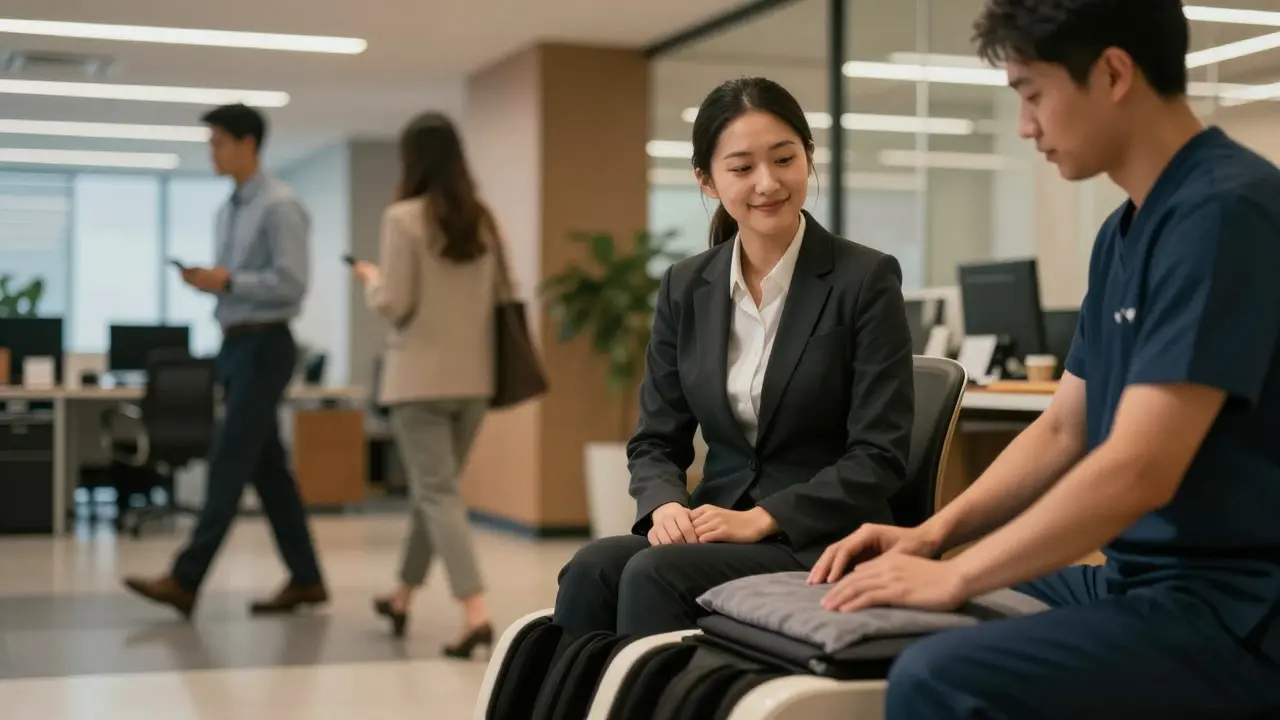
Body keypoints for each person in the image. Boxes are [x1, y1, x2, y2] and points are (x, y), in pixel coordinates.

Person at [807, 2, 1280, 717]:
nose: (1026, 126)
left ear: (1114, 72)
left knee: (936, 675)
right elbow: (1064, 429)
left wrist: (958, 575)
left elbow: (1138, 469)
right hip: (1135, 579)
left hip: (1234, 610)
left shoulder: (1225, 211)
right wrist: (930, 539)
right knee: (871, 615)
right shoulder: (1123, 231)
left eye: (1032, 94)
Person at [552, 77, 916, 640]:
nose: (767, 183)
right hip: (714, 522)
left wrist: (762, 519)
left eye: (784, 159)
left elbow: (880, 456)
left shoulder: (864, 279)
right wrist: (665, 505)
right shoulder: (686, 286)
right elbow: (655, 439)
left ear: (808, 158)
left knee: (654, 575)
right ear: (707, 180)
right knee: (591, 570)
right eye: (742, 168)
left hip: (820, 538)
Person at [123, 104, 326, 617]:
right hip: (235, 343)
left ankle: (186, 579)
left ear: (248, 143)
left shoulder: (280, 205)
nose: (211, 151)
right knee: (268, 469)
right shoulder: (229, 209)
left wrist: (229, 282)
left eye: (218, 142)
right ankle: (307, 579)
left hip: (267, 344)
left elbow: (293, 283)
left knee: (229, 459)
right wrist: (210, 282)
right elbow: (238, 281)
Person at [350, 112, 498, 657]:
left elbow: (396, 305)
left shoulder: (403, 218)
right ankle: (401, 595)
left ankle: (475, 612)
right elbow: (501, 297)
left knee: (437, 494)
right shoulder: (483, 221)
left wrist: (371, 281)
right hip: (476, 381)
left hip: (417, 383)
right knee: (436, 495)